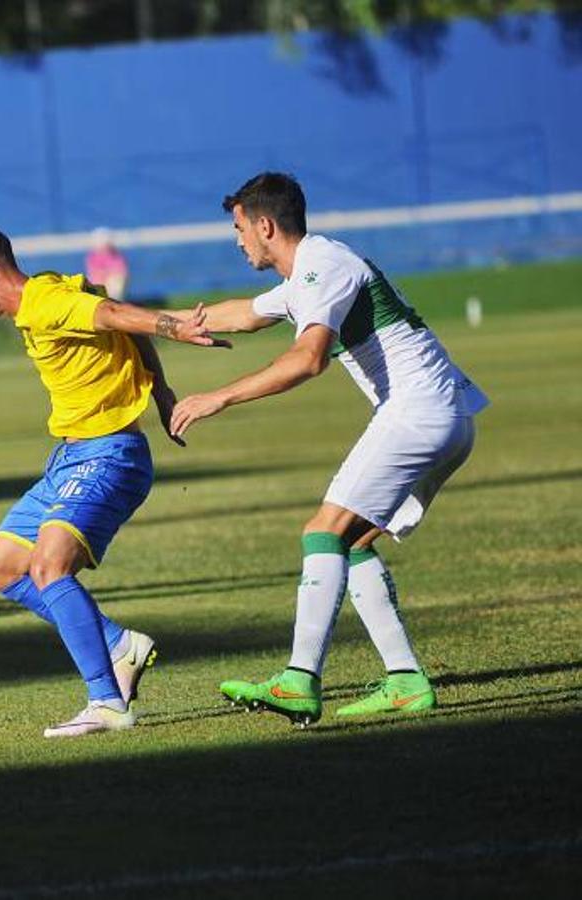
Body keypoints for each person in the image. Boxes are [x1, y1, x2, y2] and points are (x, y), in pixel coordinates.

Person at [169, 172, 490, 725]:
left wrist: (218, 397)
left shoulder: (323, 265)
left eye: (240, 229)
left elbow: (307, 360)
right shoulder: (308, 274)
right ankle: (406, 681)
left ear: (265, 225)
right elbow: (244, 314)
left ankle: (299, 680)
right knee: (355, 541)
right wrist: (148, 324)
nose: (238, 240)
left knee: (322, 531)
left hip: (418, 413)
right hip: (447, 417)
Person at [0, 220, 225, 738]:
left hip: (107, 456)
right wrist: (162, 395)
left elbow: (113, 312)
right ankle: (118, 645)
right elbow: (115, 325)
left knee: (50, 566)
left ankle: (107, 701)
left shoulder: (45, 301)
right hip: (69, 458)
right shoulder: (50, 291)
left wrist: (174, 326)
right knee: (3, 565)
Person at [84, 228, 129, 301]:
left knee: (115, 288)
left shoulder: (115, 255)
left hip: (111, 284)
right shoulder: (92, 257)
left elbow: (120, 273)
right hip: (100, 285)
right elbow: (94, 274)